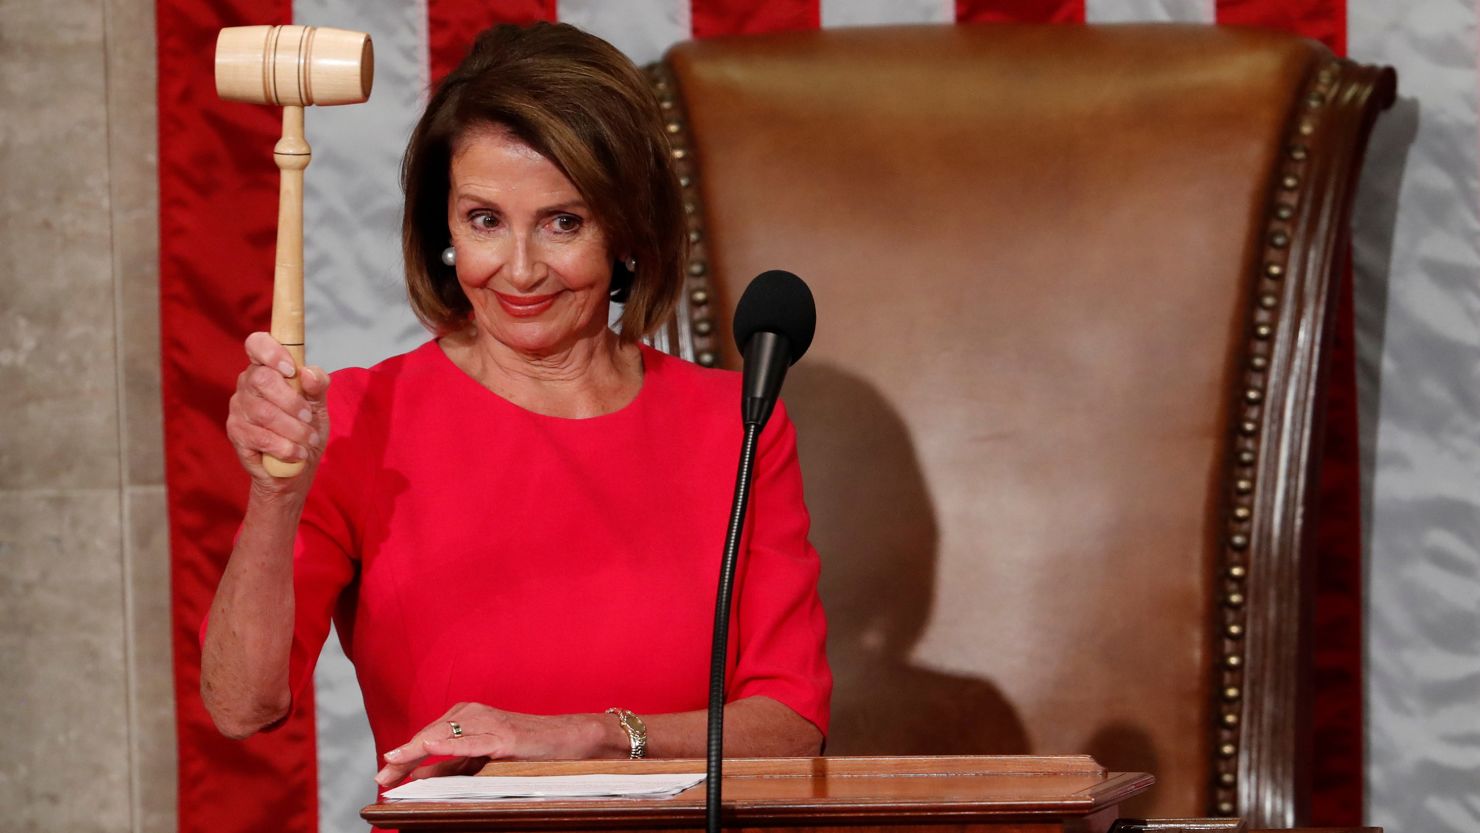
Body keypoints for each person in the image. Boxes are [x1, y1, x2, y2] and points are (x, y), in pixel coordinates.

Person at [200, 22, 831, 788]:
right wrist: (275, 495)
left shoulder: (736, 423)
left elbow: (790, 726)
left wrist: (589, 737)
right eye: (484, 220)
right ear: (446, 227)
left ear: (627, 231)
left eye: (563, 222)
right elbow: (242, 705)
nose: (521, 270)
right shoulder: (364, 415)